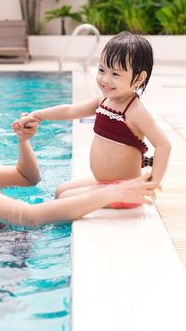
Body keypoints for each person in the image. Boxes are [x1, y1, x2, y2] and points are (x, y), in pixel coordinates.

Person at [0, 83, 160, 228]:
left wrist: (24, 141)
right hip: (0, 260)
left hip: (10, 247)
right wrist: (113, 192)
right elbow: (27, 217)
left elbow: (27, 178)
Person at [14, 31, 171, 208]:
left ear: (139, 78)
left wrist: (151, 184)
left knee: (66, 198)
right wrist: (38, 115)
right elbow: (70, 110)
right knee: (60, 191)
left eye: (115, 74)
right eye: (102, 70)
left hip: (125, 191)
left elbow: (164, 145)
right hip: (106, 184)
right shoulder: (103, 101)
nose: (105, 79)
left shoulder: (134, 111)